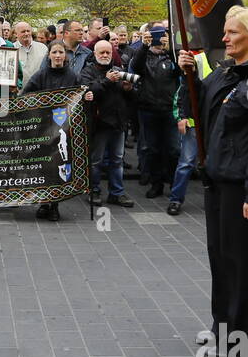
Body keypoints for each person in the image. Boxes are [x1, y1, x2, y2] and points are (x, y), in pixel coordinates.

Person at [177, 7, 248, 357]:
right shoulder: (226, 74)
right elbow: (197, 109)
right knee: (220, 259)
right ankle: (221, 327)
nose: (224, 38)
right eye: (225, 32)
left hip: (240, 186)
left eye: (233, 33)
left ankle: (239, 342)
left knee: (238, 263)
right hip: (216, 180)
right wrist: (188, 76)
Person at [23, 41, 89, 222]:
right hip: (43, 129)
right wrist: (39, 103)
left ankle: (55, 205)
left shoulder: (73, 76)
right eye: (55, 52)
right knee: (44, 166)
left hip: (63, 131)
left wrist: (87, 96)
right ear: (49, 55)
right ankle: (43, 203)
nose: (58, 55)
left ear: (65, 55)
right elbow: (25, 95)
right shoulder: (41, 75)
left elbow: (82, 97)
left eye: (61, 52)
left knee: (59, 166)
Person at [81, 39, 134, 207]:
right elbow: (88, 92)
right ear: (94, 54)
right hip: (99, 124)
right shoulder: (87, 71)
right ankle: (94, 190)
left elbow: (131, 97)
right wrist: (107, 81)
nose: (105, 55)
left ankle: (116, 193)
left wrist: (129, 89)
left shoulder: (119, 70)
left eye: (108, 52)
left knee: (117, 160)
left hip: (118, 123)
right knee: (96, 161)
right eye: (101, 52)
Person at [130, 26, 179, 201]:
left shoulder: (171, 56)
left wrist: (171, 47)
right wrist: (144, 45)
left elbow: (181, 69)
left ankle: (174, 183)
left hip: (169, 110)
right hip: (148, 110)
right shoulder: (144, 56)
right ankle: (156, 183)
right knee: (152, 149)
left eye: (163, 37)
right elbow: (135, 67)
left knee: (173, 149)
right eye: (157, 37)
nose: (159, 41)